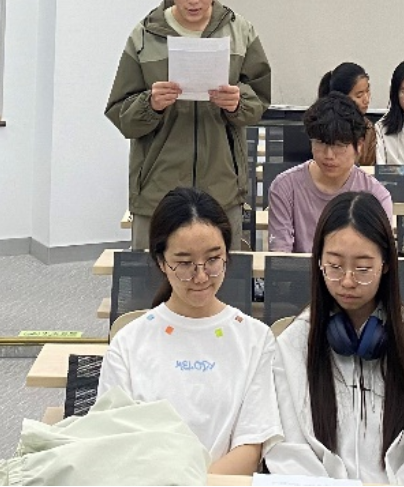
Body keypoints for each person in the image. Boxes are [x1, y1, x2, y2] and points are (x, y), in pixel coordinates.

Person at [265, 191, 404, 484]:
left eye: (362, 269)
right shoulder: (294, 344)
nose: (347, 281)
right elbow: (288, 449)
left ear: (386, 264)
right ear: (318, 262)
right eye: (334, 266)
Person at [97, 187, 283, 475]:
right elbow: (114, 442)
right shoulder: (129, 342)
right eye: (184, 263)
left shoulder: (256, 338)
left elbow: (250, 447)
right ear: (161, 262)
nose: (200, 276)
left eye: (213, 260)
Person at [105, 0, 271, 250]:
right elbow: (120, 114)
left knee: (222, 272)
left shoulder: (240, 32)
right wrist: (150, 104)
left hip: (222, 188)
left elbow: (259, 101)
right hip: (157, 189)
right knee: (154, 274)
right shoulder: (145, 36)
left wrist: (238, 102)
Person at [268, 92, 392, 253]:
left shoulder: (376, 195)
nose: (329, 155)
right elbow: (280, 257)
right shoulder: (284, 187)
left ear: (359, 145)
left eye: (339, 145)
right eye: (320, 143)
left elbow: (378, 257)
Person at [318, 62, 376, 166]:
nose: (366, 100)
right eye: (359, 95)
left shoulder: (368, 128)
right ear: (342, 98)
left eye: (367, 91)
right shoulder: (321, 125)